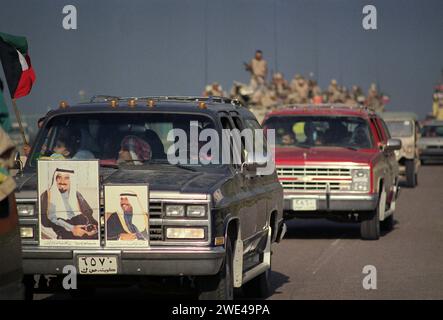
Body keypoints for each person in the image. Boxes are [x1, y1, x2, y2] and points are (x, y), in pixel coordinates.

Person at [40, 167, 98, 240]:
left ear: (71, 180)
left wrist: (92, 227)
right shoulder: (48, 195)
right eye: (59, 177)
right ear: (55, 179)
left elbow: (88, 213)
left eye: (66, 178)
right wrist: (72, 228)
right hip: (62, 225)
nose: (62, 181)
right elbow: (51, 219)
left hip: (80, 222)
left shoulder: (76, 194)